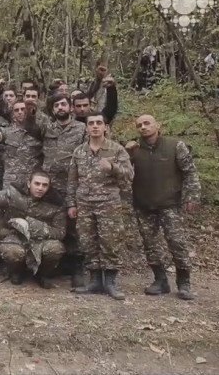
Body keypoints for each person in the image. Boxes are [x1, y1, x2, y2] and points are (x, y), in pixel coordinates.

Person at [126, 114, 200, 300]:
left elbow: (190, 172)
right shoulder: (134, 150)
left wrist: (191, 196)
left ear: (157, 125)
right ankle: (160, 280)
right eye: (139, 125)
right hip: (143, 204)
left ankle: (184, 282)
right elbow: (123, 173)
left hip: (170, 203)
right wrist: (127, 154)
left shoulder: (175, 146)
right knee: (150, 244)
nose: (143, 127)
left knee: (177, 242)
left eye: (147, 123)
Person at [66, 112, 134, 300]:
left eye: (98, 123)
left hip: (108, 203)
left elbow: (130, 175)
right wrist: (71, 204)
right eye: (91, 123)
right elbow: (72, 180)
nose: (95, 126)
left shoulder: (116, 150)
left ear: (105, 127)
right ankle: (95, 280)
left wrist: (113, 167)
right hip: (85, 203)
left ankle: (110, 282)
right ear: (87, 128)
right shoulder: (79, 151)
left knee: (110, 241)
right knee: (88, 241)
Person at [40, 93, 86, 287]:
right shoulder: (47, 128)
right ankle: (51, 266)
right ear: (52, 110)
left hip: (72, 185)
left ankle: (76, 268)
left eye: (63, 104)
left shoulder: (82, 129)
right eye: (57, 105)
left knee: (74, 228)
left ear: (71, 107)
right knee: (51, 225)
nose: (60, 107)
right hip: (49, 187)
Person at [0, 172, 67, 288]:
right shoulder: (15, 197)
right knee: (12, 251)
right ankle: (16, 272)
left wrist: (38, 227)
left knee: (55, 248)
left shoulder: (56, 204)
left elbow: (60, 232)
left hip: (42, 239)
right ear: (29, 184)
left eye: (44, 185)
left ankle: (43, 274)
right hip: (17, 236)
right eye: (37, 184)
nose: (40, 188)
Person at [0, 100, 43, 191]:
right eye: (16, 110)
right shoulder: (7, 132)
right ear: (13, 114)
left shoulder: (39, 132)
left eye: (23, 109)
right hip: (12, 182)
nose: (20, 112)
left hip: (32, 182)